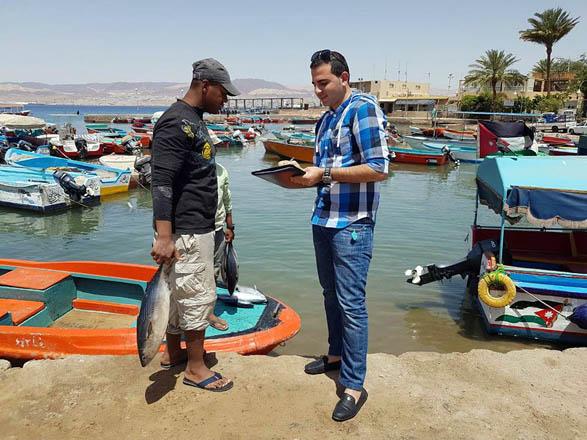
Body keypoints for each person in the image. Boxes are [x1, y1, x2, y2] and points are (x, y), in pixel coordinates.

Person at [290, 50, 389, 421]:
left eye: (324, 83)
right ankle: (334, 356)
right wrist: (297, 180)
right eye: (315, 84)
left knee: (351, 303)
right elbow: (323, 172)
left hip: (352, 222)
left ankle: (353, 384)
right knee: (330, 294)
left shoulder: (362, 109)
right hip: (323, 218)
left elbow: (379, 168)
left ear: (344, 77)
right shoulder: (326, 119)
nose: (318, 91)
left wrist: (324, 175)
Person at [150, 58, 240, 392]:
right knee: (196, 296)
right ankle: (196, 369)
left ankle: (174, 354)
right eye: (223, 93)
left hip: (195, 227)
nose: (226, 100)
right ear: (205, 86)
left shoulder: (194, 120)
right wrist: (164, 235)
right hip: (186, 230)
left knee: (179, 295)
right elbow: (162, 182)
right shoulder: (175, 123)